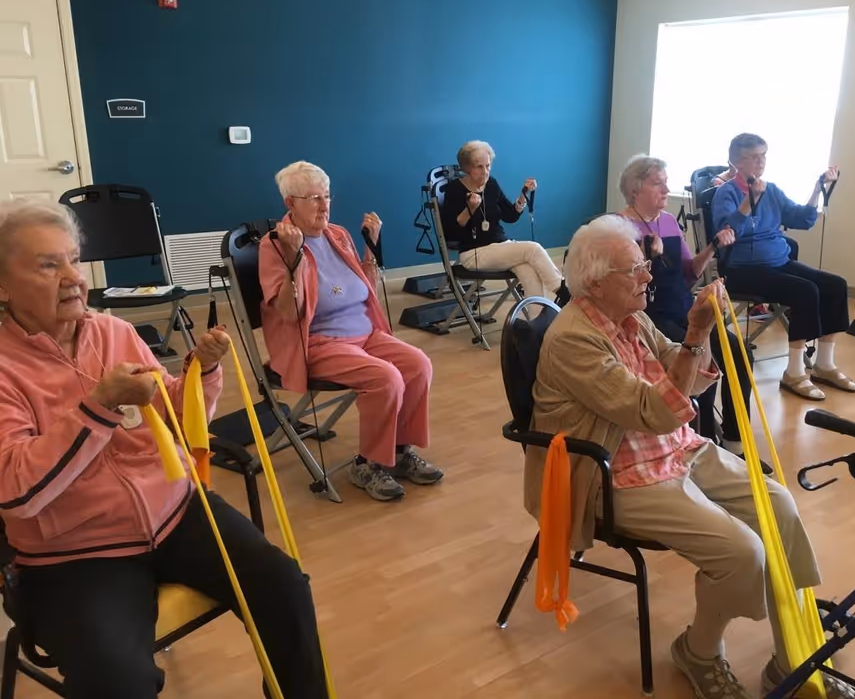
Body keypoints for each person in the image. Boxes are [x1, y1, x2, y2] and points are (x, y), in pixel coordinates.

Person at [0, 197, 329, 698]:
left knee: (285, 587)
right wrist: (98, 407)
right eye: (48, 265)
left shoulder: (114, 331)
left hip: (174, 512)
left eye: (74, 259)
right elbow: (16, 490)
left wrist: (202, 370)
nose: (73, 278)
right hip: (75, 553)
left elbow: (172, 417)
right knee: (117, 681)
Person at [525, 215, 855, 699]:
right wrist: (694, 334)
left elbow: (684, 377)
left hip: (677, 449)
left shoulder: (631, 318)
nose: (648, 274)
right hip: (613, 473)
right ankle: (699, 652)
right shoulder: (574, 338)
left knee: (779, 508)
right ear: (596, 284)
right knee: (742, 552)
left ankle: (796, 658)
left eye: (643, 263)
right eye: (634, 269)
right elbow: (655, 410)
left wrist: (697, 337)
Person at [260, 161, 442, 502]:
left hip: (365, 333)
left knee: (418, 365)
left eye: (327, 196)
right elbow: (287, 312)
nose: (324, 205)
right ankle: (368, 464)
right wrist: (294, 258)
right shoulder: (274, 245)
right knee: (385, 378)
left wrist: (371, 246)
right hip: (318, 343)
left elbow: (364, 289)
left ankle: (399, 451)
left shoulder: (338, 234)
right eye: (314, 198)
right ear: (290, 203)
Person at [617, 154, 757, 460]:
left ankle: (735, 442)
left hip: (682, 308)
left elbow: (689, 273)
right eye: (658, 183)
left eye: (666, 183)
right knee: (700, 362)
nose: (666, 190)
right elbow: (622, 285)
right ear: (635, 189)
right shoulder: (619, 227)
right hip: (649, 316)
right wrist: (647, 257)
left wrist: (713, 247)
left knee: (739, 353)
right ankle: (703, 445)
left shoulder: (668, 221)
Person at [712, 133, 855, 401]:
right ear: (736, 162)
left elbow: (802, 219)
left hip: (779, 261)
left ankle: (825, 365)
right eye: (754, 157)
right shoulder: (726, 193)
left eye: (763, 155)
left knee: (836, 285)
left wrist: (818, 189)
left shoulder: (772, 190)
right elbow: (727, 233)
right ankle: (794, 372)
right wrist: (749, 202)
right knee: (805, 291)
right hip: (742, 269)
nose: (761, 161)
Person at [439, 140, 562, 299]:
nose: (485, 172)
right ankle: (562, 291)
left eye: (488, 165)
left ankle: (539, 314)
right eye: (479, 167)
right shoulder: (455, 189)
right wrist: (470, 209)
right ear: (467, 168)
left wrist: (523, 196)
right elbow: (451, 233)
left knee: (529, 271)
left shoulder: (491, 184)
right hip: (474, 253)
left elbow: (510, 216)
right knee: (533, 249)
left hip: (501, 246)